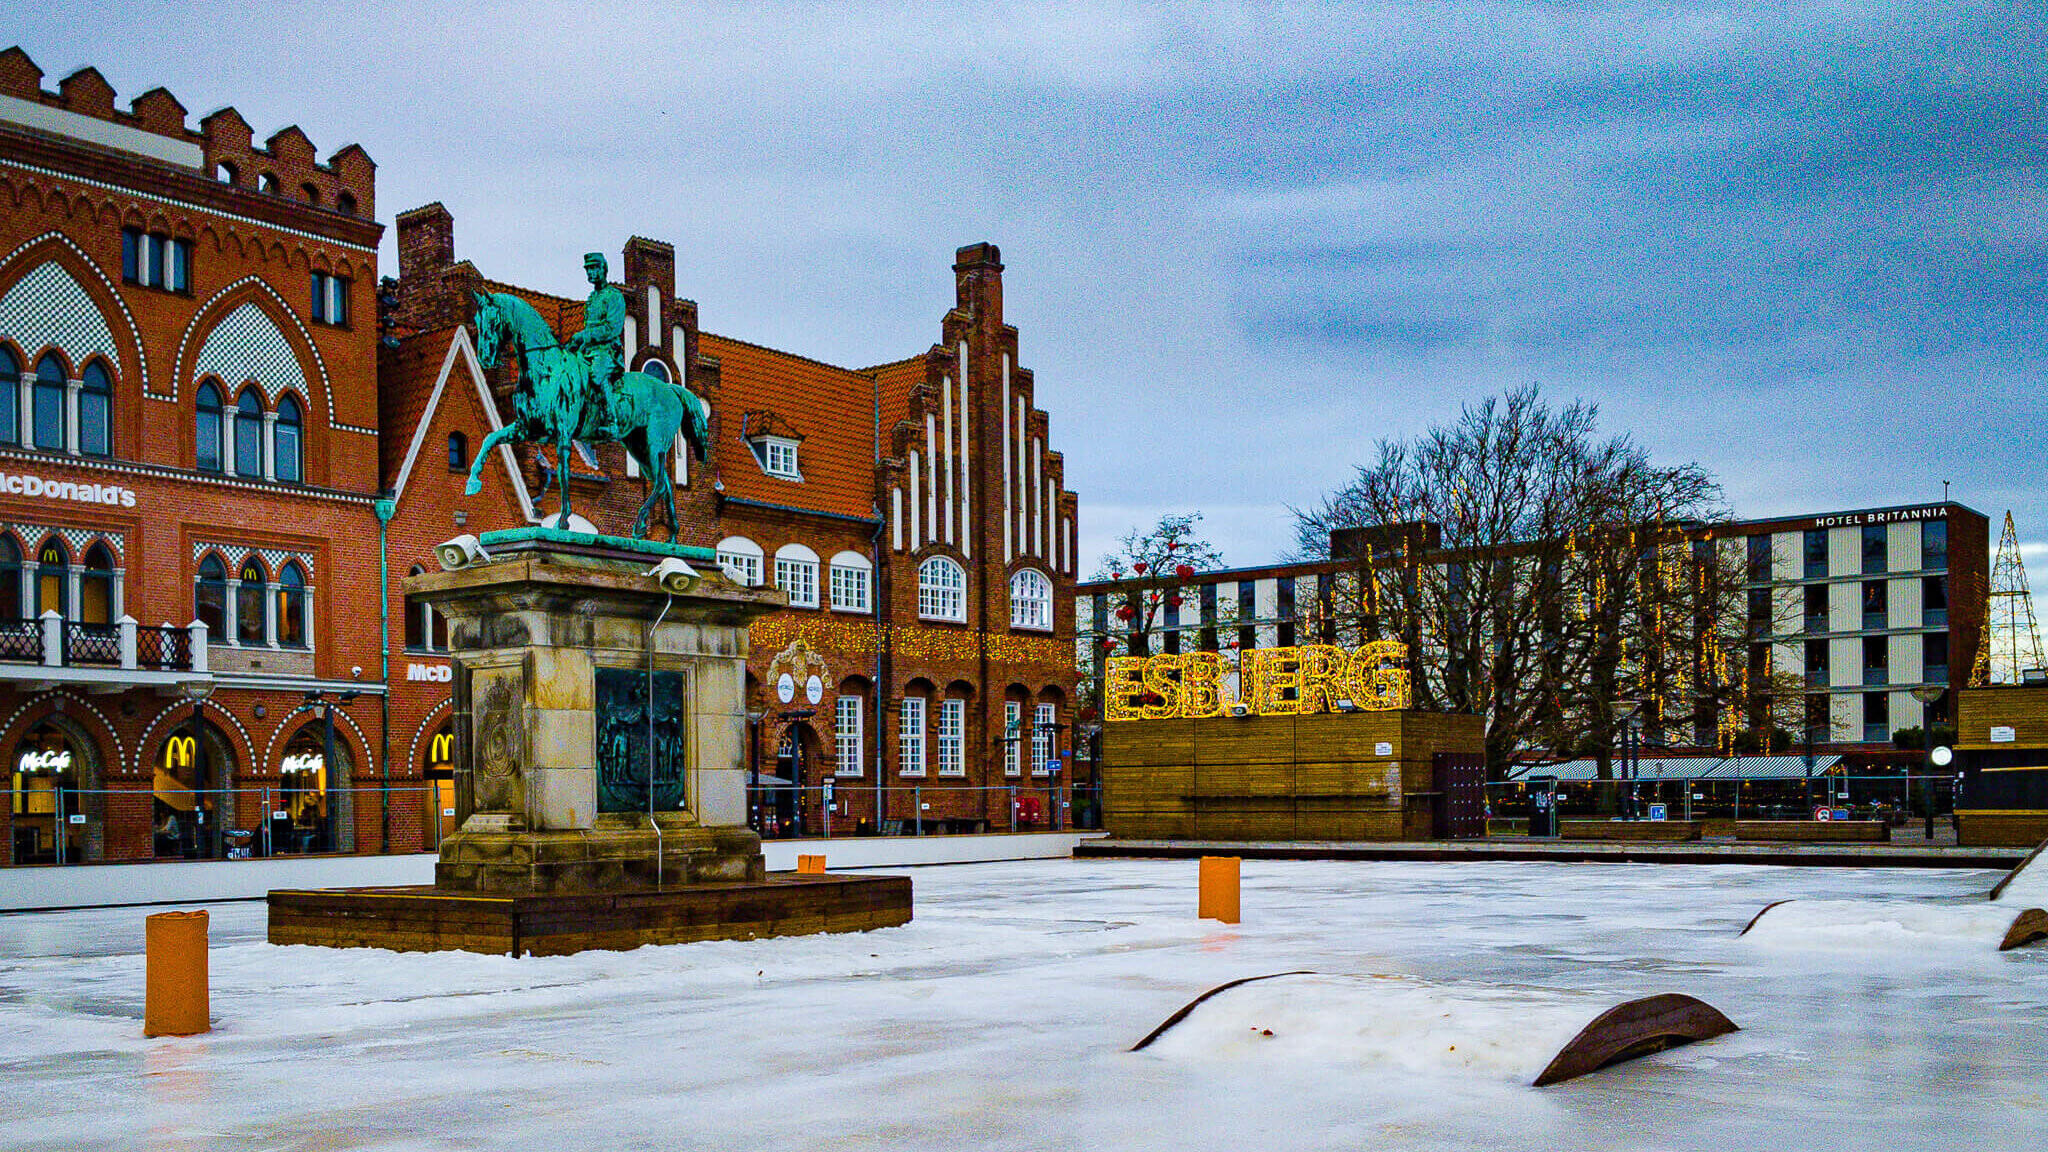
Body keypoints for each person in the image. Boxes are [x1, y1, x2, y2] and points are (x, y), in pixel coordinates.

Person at [562, 252, 625, 428]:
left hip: (607, 350)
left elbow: (612, 328)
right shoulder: (592, 299)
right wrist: (575, 343)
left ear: (603, 269)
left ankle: (612, 420)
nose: (590, 273)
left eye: (594, 268)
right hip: (588, 350)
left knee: (597, 375)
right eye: (588, 269)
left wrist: (584, 336)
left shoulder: (614, 296)